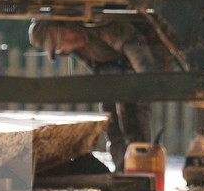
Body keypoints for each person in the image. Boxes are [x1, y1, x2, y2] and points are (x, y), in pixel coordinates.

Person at [28, 19, 158, 170]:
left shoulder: (98, 24)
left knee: (130, 114)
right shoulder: (78, 48)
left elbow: (133, 44)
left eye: (62, 38)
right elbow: (98, 70)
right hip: (113, 78)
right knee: (110, 121)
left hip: (133, 73)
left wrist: (145, 80)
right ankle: (122, 169)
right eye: (60, 47)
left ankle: (140, 167)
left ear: (66, 25)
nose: (66, 45)